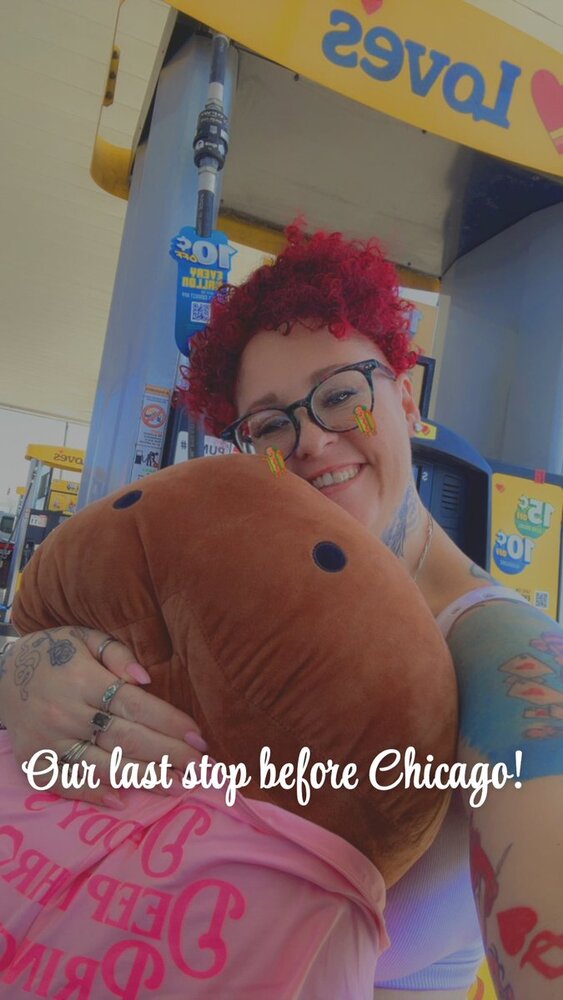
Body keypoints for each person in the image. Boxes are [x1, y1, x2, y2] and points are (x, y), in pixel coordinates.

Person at [1, 223, 562, 1000]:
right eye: (269, 424)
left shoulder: (498, 653)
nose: (311, 441)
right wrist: (22, 671)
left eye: (341, 395)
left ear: (405, 400)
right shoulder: (220, 588)